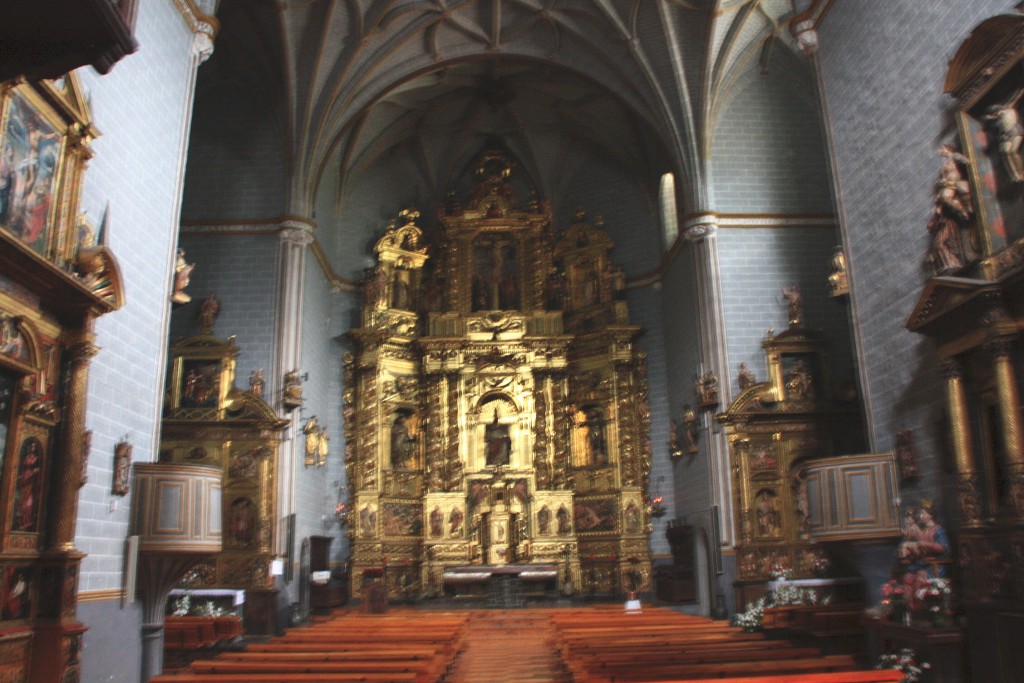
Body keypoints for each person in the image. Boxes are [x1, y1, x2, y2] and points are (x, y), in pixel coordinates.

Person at [983, 91, 1024, 182]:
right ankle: (1014, 175)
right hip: (1005, 134)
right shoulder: (996, 117)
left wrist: (1021, 92)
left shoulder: (1008, 108)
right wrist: (989, 117)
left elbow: (1016, 98)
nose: (997, 114)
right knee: (1005, 153)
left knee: (1013, 151)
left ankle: (1021, 172)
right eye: (995, 113)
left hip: (1014, 130)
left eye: (997, 112)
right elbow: (987, 119)